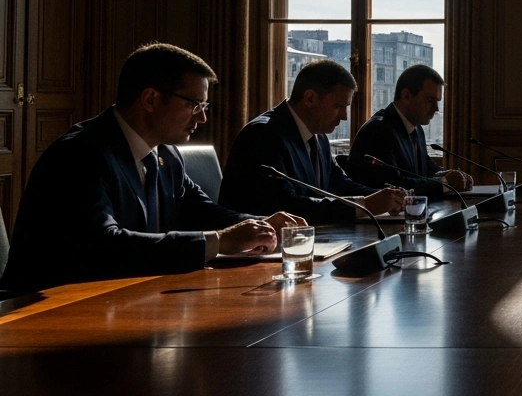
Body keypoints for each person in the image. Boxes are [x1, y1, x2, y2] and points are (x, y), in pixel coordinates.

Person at [0, 43, 305, 293]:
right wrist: (219, 241)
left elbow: (200, 210)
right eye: (194, 105)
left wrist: (260, 224)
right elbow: (104, 246)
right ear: (150, 99)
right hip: (46, 315)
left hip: (124, 300)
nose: (202, 119)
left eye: (205, 107)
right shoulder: (81, 154)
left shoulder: (167, 155)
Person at [221, 60, 405, 224]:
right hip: (258, 251)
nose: (344, 117)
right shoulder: (263, 134)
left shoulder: (319, 136)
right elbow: (285, 206)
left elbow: (338, 183)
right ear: (310, 98)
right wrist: (364, 205)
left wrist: (386, 198)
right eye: (338, 106)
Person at [347, 65, 472, 197]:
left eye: (437, 102)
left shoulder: (416, 127)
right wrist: (445, 185)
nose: (436, 108)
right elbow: (394, 184)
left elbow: (426, 169)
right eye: (430, 100)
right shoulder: (379, 130)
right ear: (406, 96)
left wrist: (451, 176)